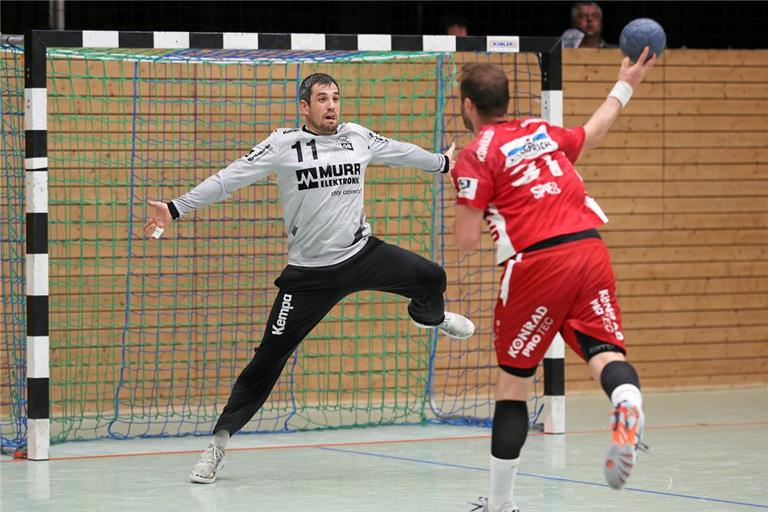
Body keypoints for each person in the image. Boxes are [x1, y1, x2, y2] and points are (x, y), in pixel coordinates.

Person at [143, 73, 475, 484]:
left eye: (336, 97)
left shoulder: (357, 137)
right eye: (322, 99)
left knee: (431, 277)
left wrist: (444, 162)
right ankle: (218, 445)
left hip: (362, 254)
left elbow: (401, 152)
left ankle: (431, 318)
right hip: (309, 277)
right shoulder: (282, 145)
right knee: (267, 359)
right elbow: (229, 178)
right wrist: (175, 208)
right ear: (305, 106)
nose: (331, 106)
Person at [451, 48, 656, 512]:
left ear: (468, 106)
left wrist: (464, 185)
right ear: (506, 100)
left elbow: (465, 241)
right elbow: (593, 133)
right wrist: (627, 82)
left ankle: (501, 505)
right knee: (605, 354)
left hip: (536, 265)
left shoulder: (475, 154)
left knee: (513, 385)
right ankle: (625, 400)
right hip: (589, 248)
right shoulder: (539, 130)